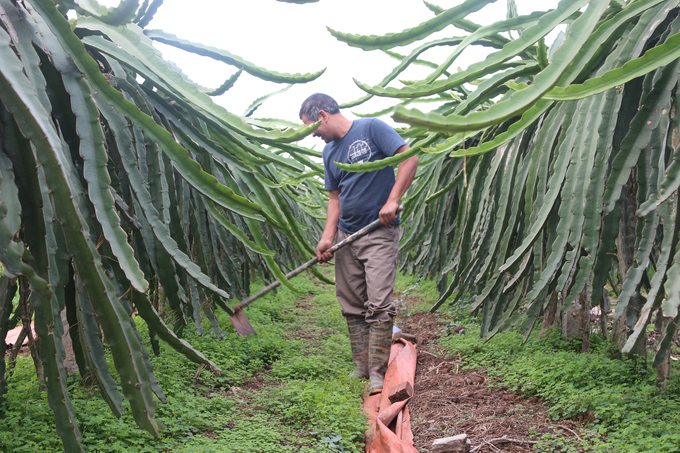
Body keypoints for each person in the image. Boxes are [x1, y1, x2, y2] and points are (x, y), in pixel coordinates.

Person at [299, 93, 418, 394]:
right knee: (351, 304)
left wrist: (393, 201)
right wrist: (328, 236)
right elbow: (335, 197)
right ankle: (361, 366)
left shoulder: (371, 129)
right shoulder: (329, 153)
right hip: (346, 236)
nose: (315, 136)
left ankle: (378, 372)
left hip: (378, 231)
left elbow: (409, 158)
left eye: (313, 129)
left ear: (323, 115)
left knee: (378, 303)